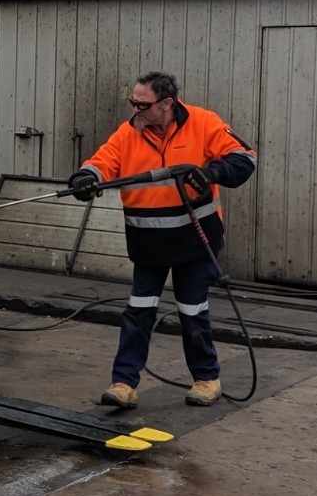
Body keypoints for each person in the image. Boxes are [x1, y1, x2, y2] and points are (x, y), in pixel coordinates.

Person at [68, 71, 256, 408]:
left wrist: (211, 173)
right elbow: (102, 162)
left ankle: (206, 379)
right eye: (133, 103)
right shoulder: (128, 133)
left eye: (143, 104)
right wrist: (85, 178)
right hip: (149, 244)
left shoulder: (203, 123)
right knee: (139, 311)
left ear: (167, 104)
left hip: (195, 242)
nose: (135, 110)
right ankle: (123, 384)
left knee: (192, 310)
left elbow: (245, 159)